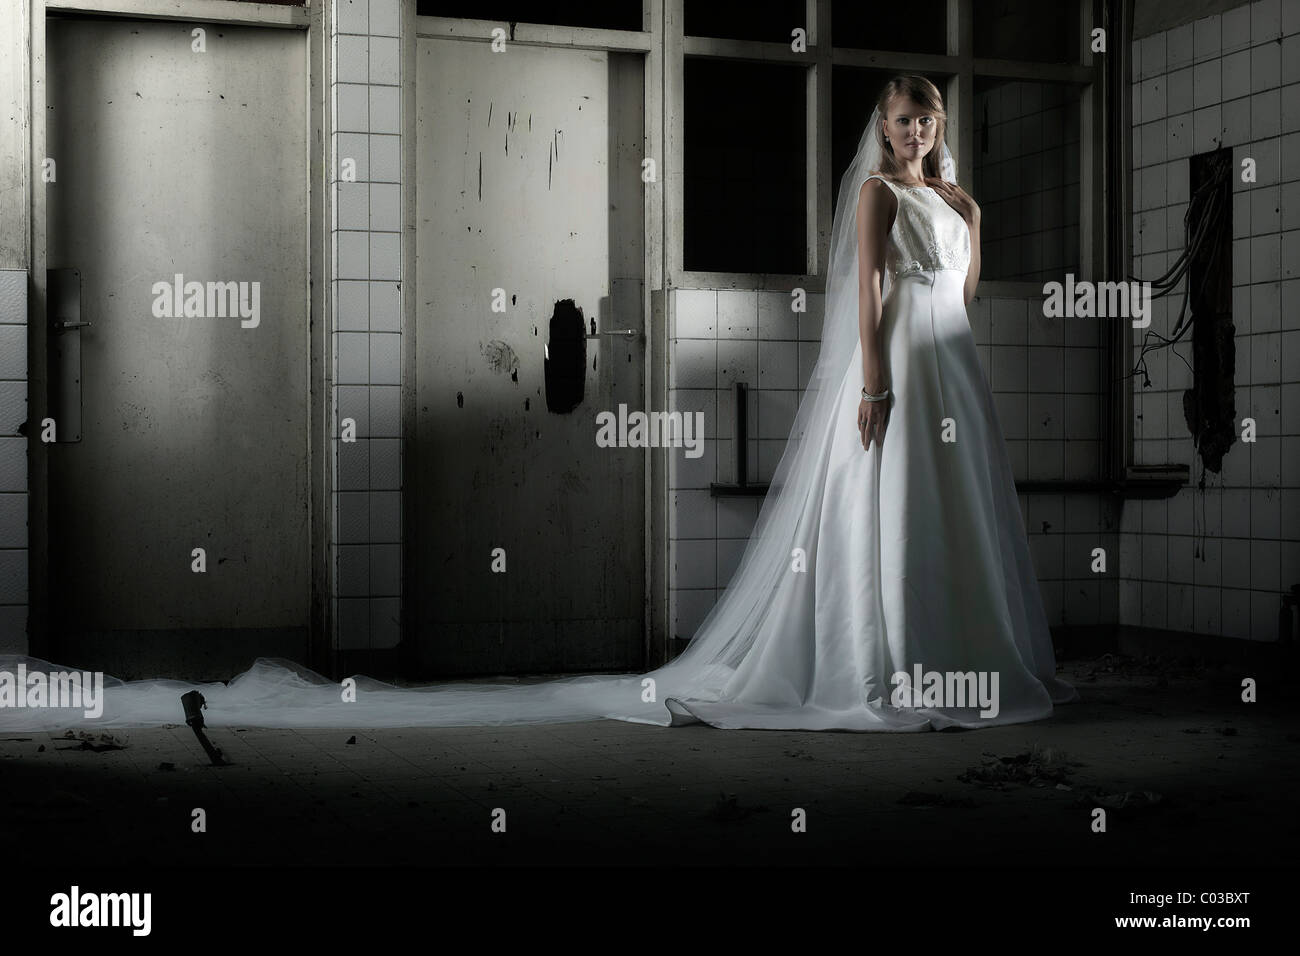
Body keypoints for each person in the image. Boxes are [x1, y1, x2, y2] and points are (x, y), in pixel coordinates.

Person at [0, 76, 1076, 734]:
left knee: (956, 516)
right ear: (880, 130)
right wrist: (877, 380)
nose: (907, 132)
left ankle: (961, 663)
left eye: (921, 117)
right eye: (894, 119)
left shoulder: (960, 199)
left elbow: (961, 294)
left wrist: (949, 310)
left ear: (939, 122)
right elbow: (872, 292)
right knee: (884, 515)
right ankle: (882, 668)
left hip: (955, 368)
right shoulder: (878, 196)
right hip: (897, 368)